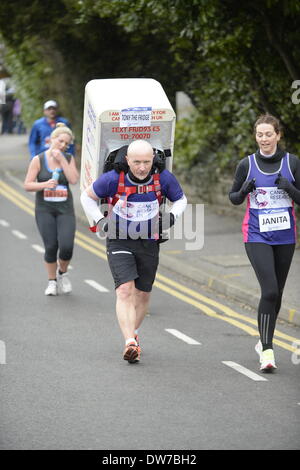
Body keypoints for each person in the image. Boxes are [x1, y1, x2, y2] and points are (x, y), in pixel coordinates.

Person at [81, 140, 187, 363]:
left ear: (154, 160)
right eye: (136, 162)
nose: (141, 167)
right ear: (127, 160)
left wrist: (171, 216)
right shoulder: (113, 179)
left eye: (146, 162)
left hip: (149, 241)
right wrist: (101, 222)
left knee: (143, 294)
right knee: (125, 290)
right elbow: (86, 196)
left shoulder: (163, 179)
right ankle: (129, 341)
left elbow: (181, 199)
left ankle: (133, 332)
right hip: (119, 241)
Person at [229, 114, 300, 372]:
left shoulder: (292, 163)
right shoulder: (246, 164)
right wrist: (246, 189)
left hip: (285, 237)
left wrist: (289, 188)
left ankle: (263, 339)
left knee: (277, 294)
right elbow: (234, 198)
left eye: (269, 134)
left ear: (278, 135)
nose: (264, 139)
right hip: (256, 235)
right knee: (269, 290)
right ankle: (267, 350)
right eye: (260, 134)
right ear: (255, 136)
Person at [24, 123, 79, 296]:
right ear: (52, 139)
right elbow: (27, 185)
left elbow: (74, 179)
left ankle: (62, 273)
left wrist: (62, 159)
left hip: (65, 209)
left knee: (66, 246)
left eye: (66, 144)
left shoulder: (68, 158)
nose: (63, 145)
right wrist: (45, 184)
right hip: (44, 209)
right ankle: (52, 282)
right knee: (51, 246)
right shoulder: (38, 159)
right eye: (60, 141)